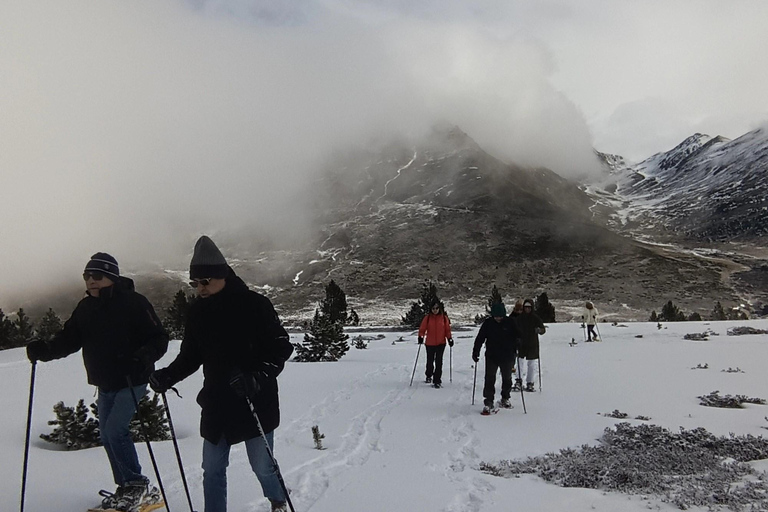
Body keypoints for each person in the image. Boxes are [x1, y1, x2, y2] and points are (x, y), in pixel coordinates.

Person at [148, 236, 294, 512]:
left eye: (205, 282)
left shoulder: (255, 305)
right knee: (212, 468)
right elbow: (191, 356)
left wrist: (257, 376)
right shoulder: (198, 313)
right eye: (195, 283)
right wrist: (168, 376)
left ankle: (277, 499)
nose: (200, 288)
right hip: (217, 401)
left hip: (254, 400)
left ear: (222, 275)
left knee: (262, 465)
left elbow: (280, 349)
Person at [25, 253, 168, 511]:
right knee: (106, 434)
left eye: (97, 276)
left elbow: (159, 338)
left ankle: (136, 484)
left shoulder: (135, 303)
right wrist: (44, 351)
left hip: (132, 379)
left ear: (111, 277)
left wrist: (142, 358)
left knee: (115, 431)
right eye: (87, 276)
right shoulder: (85, 308)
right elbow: (68, 339)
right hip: (105, 382)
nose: (91, 281)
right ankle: (128, 487)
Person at [472, 303, 520, 413]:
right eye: (496, 316)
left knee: (507, 378)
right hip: (492, 355)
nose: (498, 318)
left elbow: (518, 335)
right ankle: (488, 401)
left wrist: (518, 342)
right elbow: (480, 338)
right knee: (489, 378)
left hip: (507, 356)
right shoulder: (488, 324)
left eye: (500, 316)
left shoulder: (510, 322)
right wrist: (476, 351)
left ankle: (505, 398)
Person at [418, 301, 453, 388]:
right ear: (431, 309)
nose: (435, 310)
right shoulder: (428, 318)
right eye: (433, 308)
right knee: (430, 361)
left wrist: (449, 338)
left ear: (439, 309)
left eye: (437, 308)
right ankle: (429, 375)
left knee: (439, 361)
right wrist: (420, 336)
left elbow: (447, 330)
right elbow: (422, 328)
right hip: (430, 343)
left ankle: (437, 380)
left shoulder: (444, 318)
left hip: (441, 343)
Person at [514, 298, 546, 392]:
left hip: (532, 343)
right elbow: (514, 328)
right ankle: (518, 381)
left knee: (531, 364)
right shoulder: (519, 318)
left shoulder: (535, 318)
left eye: (529, 307)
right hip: (521, 343)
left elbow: (543, 329)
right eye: (526, 307)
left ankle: (530, 382)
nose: (527, 309)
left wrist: (539, 330)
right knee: (520, 362)